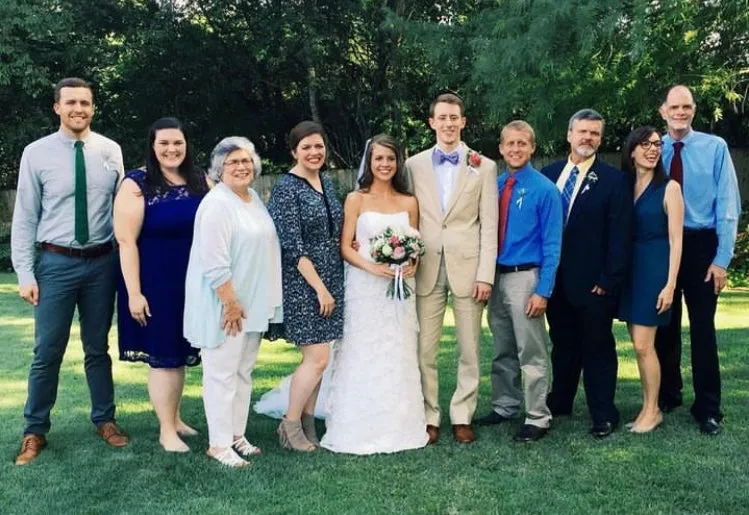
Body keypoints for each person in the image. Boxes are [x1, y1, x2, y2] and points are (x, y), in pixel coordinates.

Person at [11, 77, 128, 466]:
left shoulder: (110, 151)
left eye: (86, 103)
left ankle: (105, 420)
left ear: (93, 108)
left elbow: (123, 211)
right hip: (55, 263)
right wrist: (25, 274)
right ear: (57, 107)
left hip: (101, 263)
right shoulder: (36, 153)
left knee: (98, 349)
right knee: (47, 351)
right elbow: (25, 217)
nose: (79, 109)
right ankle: (34, 430)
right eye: (71, 102)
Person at [319, 134, 429, 454]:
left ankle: (400, 422)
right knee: (362, 349)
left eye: (390, 159)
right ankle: (356, 422)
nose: (384, 165)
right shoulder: (356, 199)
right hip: (365, 285)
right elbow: (344, 246)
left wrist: (412, 262)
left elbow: (415, 243)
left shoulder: (409, 202)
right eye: (378, 158)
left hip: (399, 287)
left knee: (398, 349)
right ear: (369, 161)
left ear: (398, 163)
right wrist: (372, 267)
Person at [405, 93, 499, 444]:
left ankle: (462, 415)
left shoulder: (484, 166)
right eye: (441, 118)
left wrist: (485, 274)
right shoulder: (413, 165)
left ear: (463, 122)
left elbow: (489, 225)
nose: (448, 123)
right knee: (424, 350)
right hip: (425, 267)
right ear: (431, 122)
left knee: (469, 348)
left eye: (454, 117)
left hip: (469, 268)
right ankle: (429, 416)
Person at [184, 137, 283, 467]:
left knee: (243, 373)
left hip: (252, 301)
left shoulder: (252, 197)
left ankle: (236, 435)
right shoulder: (216, 204)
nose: (241, 167)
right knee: (221, 375)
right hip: (225, 305)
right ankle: (218, 444)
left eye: (246, 161)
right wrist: (230, 303)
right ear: (219, 169)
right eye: (233, 162)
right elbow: (214, 261)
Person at [114, 117, 209, 452]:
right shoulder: (137, 184)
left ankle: (177, 418)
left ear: (186, 145)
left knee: (180, 354)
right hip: (155, 283)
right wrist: (135, 293)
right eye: (164, 143)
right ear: (152, 146)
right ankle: (166, 430)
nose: (171, 149)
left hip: (194, 282)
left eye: (177, 143)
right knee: (164, 357)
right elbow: (126, 242)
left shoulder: (200, 180)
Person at [654, 85, 742, 435]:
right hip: (662, 246)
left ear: (694, 109)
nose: (680, 112)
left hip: (703, 245)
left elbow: (728, 205)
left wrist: (721, 259)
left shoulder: (715, 147)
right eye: (674, 106)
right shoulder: (651, 149)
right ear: (662, 111)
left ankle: (708, 407)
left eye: (686, 106)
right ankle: (667, 394)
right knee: (664, 324)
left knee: (703, 330)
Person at [541, 108, 633, 438]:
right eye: (582, 132)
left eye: (594, 133)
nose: (588, 138)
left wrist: (609, 280)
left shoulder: (614, 181)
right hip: (555, 282)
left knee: (597, 348)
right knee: (562, 344)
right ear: (569, 134)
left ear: (600, 138)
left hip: (594, 284)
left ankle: (603, 412)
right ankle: (560, 401)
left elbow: (620, 236)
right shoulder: (548, 175)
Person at [475, 121, 562, 442]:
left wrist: (543, 290)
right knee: (502, 348)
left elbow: (553, 245)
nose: (515, 149)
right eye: (509, 144)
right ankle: (504, 405)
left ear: (532, 148)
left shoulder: (545, 190)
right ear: (500, 148)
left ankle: (538, 415)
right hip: (494, 277)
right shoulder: (493, 186)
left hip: (526, 277)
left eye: (522, 144)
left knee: (532, 351)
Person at [267, 121, 345, 451]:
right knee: (316, 357)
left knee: (321, 360)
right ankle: (290, 424)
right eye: (307, 147)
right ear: (294, 151)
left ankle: (308, 423)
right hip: (304, 284)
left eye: (319, 146)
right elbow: (292, 246)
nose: (314, 152)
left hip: (331, 279)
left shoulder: (325, 181)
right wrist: (319, 289)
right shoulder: (287, 188)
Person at [617, 126, 684, 433]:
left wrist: (670, 285)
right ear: (632, 151)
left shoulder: (670, 188)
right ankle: (647, 406)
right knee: (638, 344)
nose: (653, 149)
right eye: (645, 144)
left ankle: (652, 410)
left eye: (657, 144)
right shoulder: (626, 185)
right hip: (630, 272)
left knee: (645, 345)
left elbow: (676, 240)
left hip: (654, 272)